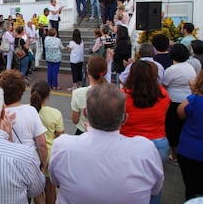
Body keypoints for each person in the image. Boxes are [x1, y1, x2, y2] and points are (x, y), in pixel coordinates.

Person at [49, 84, 164, 204]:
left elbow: (56, 181)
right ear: (124, 118)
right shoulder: (145, 150)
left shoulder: (62, 146)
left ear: (85, 113)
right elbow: (155, 189)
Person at [120, 60, 171, 204]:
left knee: (129, 182)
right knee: (154, 182)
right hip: (158, 142)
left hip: (129, 142)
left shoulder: (123, 96)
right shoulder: (163, 94)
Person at [0, 70, 47, 204]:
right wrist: (43, 163)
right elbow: (42, 144)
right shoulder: (30, 111)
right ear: (22, 90)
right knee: (36, 192)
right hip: (30, 162)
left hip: (6, 165)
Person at [30, 80, 64, 204]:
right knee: (50, 188)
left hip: (33, 154)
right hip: (50, 154)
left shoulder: (28, 112)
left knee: (36, 191)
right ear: (48, 96)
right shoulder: (55, 113)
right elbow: (60, 137)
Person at [162, 43, 197, 164]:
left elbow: (164, 83)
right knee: (183, 127)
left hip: (173, 101)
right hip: (187, 99)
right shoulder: (190, 67)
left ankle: (174, 154)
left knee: (172, 128)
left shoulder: (172, 70)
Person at [177, 70, 203, 200]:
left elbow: (181, 113)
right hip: (190, 151)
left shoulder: (194, 100)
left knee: (191, 188)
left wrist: (194, 91)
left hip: (189, 151)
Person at [71, 55, 107, 135]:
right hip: (105, 134)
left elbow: (75, 120)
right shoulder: (112, 93)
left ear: (88, 72)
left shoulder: (78, 93)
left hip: (83, 132)